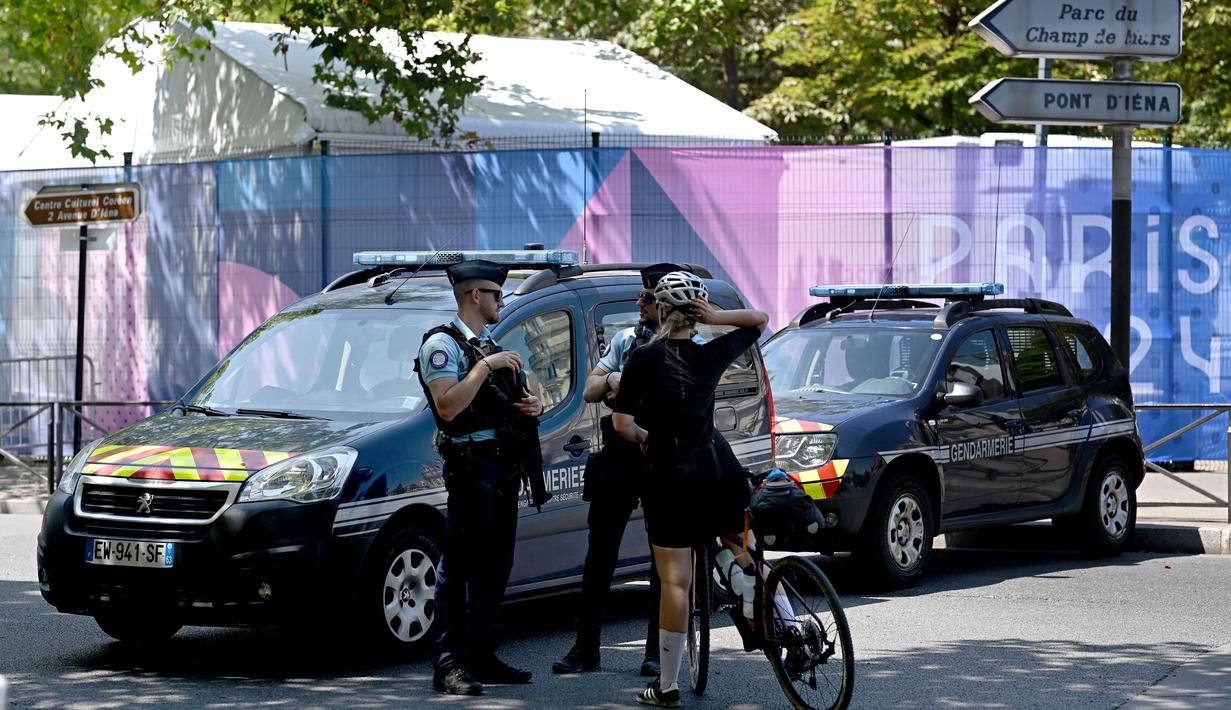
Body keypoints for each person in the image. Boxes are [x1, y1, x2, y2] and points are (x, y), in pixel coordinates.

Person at [613, 271, 769, 707]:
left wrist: (647, 438)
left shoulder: (642, 358)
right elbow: (759, 320)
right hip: (717, 471)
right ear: (695, 315)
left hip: (669, 477)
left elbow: (622, 425)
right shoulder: (710, 354)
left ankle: (667, 686)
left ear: (660, 310)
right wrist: (718, 316)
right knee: (741, 546)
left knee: (675, 583)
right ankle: (767, 608)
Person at [415, 259, 543, 696]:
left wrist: (531, 407)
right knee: (460, 567)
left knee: (496, 565)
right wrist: (486, 368)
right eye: (496, 295)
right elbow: (448, 406)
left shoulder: (488, 344)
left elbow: (503, 403)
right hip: (471, 469)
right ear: (475, 296)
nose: (500, 303)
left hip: (503, 466)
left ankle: (483, 654)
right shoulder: (443, 346)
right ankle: (448, 663)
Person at [552, 263, 680, 678]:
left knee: (663, 559)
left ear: (667, 304)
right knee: (599, 553)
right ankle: (586, 648)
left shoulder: (685, 347)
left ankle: (657, 651)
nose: (638, 303)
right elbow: (591, 388)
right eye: (640, 295)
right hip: (621, 452)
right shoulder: (627, 340)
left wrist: (622, 384)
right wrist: (617, 380)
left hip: (663, 456)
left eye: (646, 297)